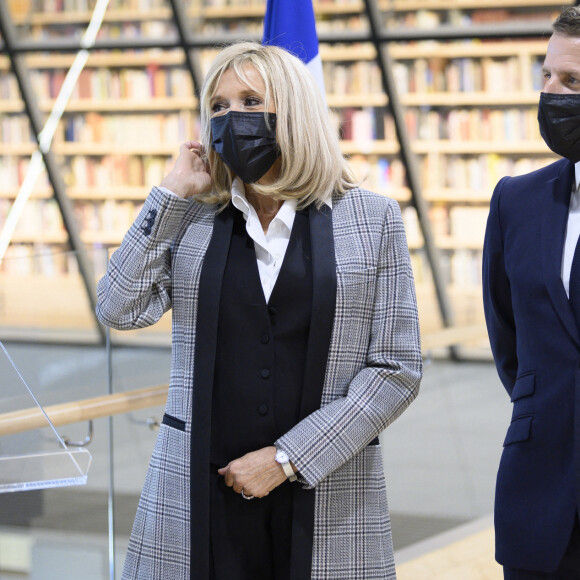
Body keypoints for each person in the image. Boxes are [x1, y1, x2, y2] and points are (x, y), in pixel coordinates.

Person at [97, 41, 422, 580]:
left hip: (325, 487)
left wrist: (285, 459)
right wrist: (171, 194)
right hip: (197, 495)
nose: (232, 118)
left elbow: (395, 369)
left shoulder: (372, 219)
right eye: (219, 107)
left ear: (294, 110)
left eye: (251, 101)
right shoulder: (193, 217)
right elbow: (119, 306)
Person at [483, 7, 580, 579]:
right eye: (547, 76)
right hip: (538, 503)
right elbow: (511, 348)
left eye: (572, 81)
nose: (552, 94)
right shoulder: (516, 200)